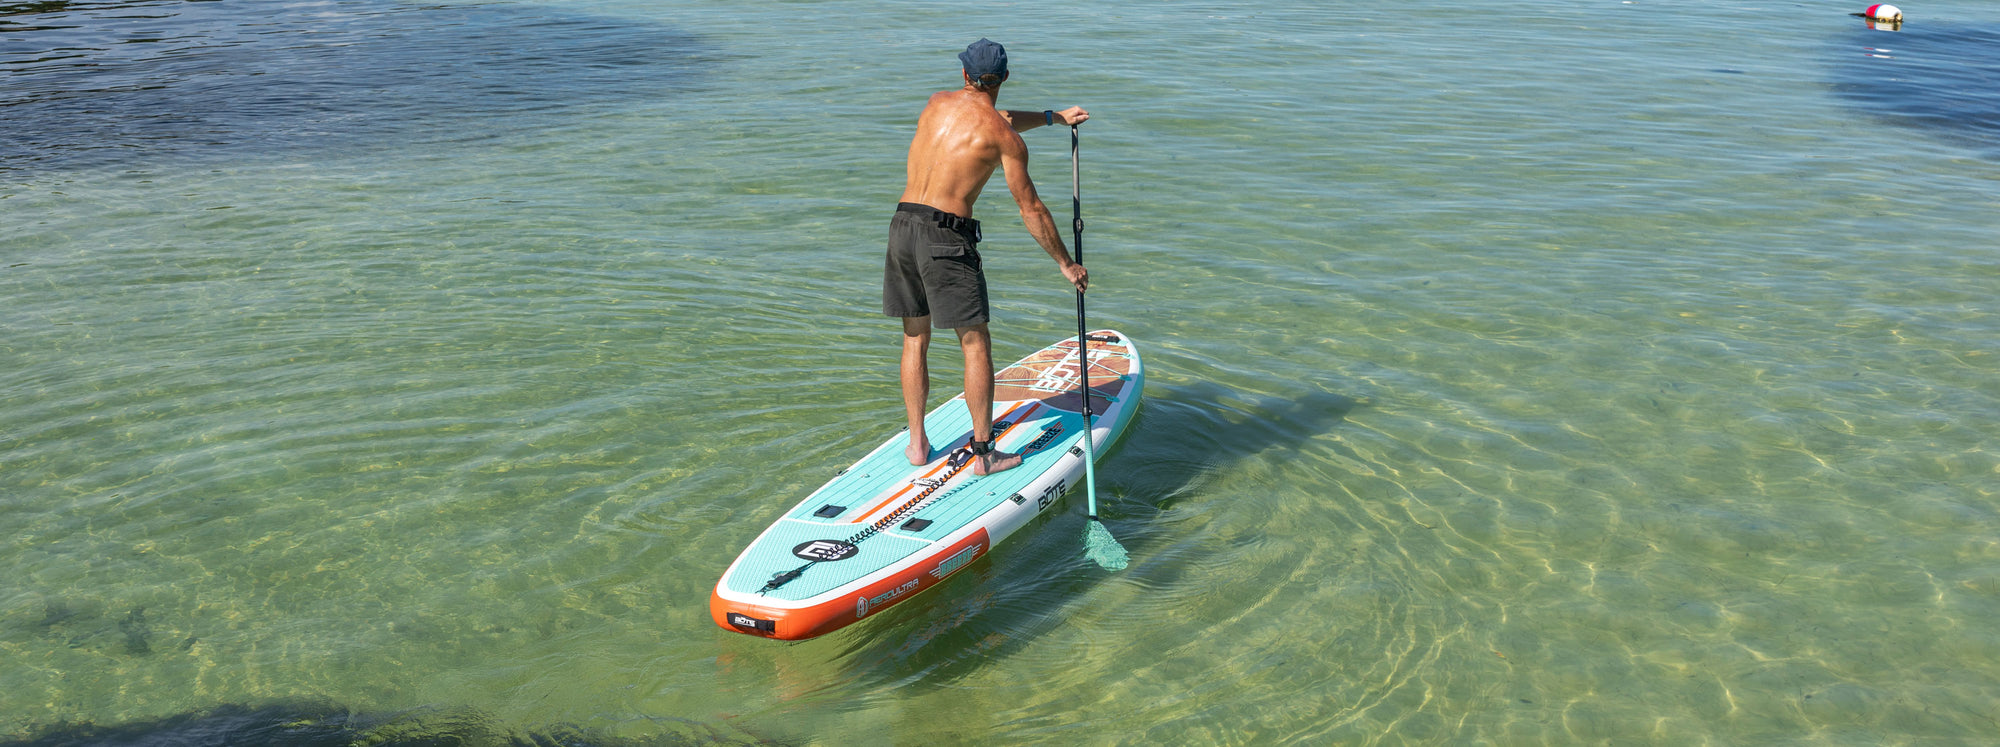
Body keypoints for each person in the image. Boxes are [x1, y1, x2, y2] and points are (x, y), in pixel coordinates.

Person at [882, 38, 1090, 476]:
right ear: (1006, 79)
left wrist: (1053, 117)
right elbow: (1030, 207)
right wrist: (1065, 263)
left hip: (902, 226)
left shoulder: (936, 104)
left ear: (963, 75)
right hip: (945, 238)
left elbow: (991, 115)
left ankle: (917, 444)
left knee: (915, 338)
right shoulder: (1004, 138)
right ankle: (984, 455)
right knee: (975, 344)